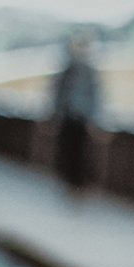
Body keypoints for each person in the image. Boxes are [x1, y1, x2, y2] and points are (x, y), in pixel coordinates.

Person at [52, 33, 101, 194]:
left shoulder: (90, 72)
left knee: (80, 150)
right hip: (68, 116)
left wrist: (95, 120)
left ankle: (76, 180)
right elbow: (57, 95)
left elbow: (97, 98)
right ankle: (68, 178)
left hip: (82, 118)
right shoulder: (67, 70)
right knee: (66, 149)